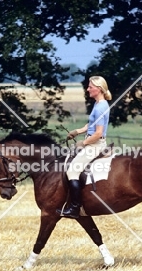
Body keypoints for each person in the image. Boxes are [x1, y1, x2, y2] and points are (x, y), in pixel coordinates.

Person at [56, 76, 112, 218]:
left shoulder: (100, 107)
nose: (87, 89)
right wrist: (78, 132)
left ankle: (75, 208)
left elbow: (98, 133)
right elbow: (91, 125)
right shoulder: (99, 104)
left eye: (90, 87)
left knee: (72, 172)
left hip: (95, 145)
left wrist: (83, 143)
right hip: (92, 142)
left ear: (98, 89)